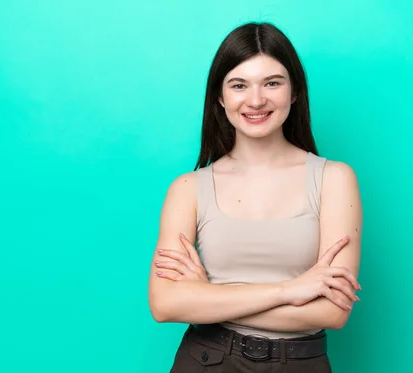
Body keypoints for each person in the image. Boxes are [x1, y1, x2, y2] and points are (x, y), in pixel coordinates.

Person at [147, 21, 362, 373]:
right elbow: (165, 304)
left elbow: (333, 311)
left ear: (294, 92)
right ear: (220, 96)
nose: (256, 99)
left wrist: (209, 297)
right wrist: (289, 290)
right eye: (239, 85)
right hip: (206, 359)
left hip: (298, 364)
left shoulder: (334, 179)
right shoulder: (188, 188)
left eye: (272, 83)